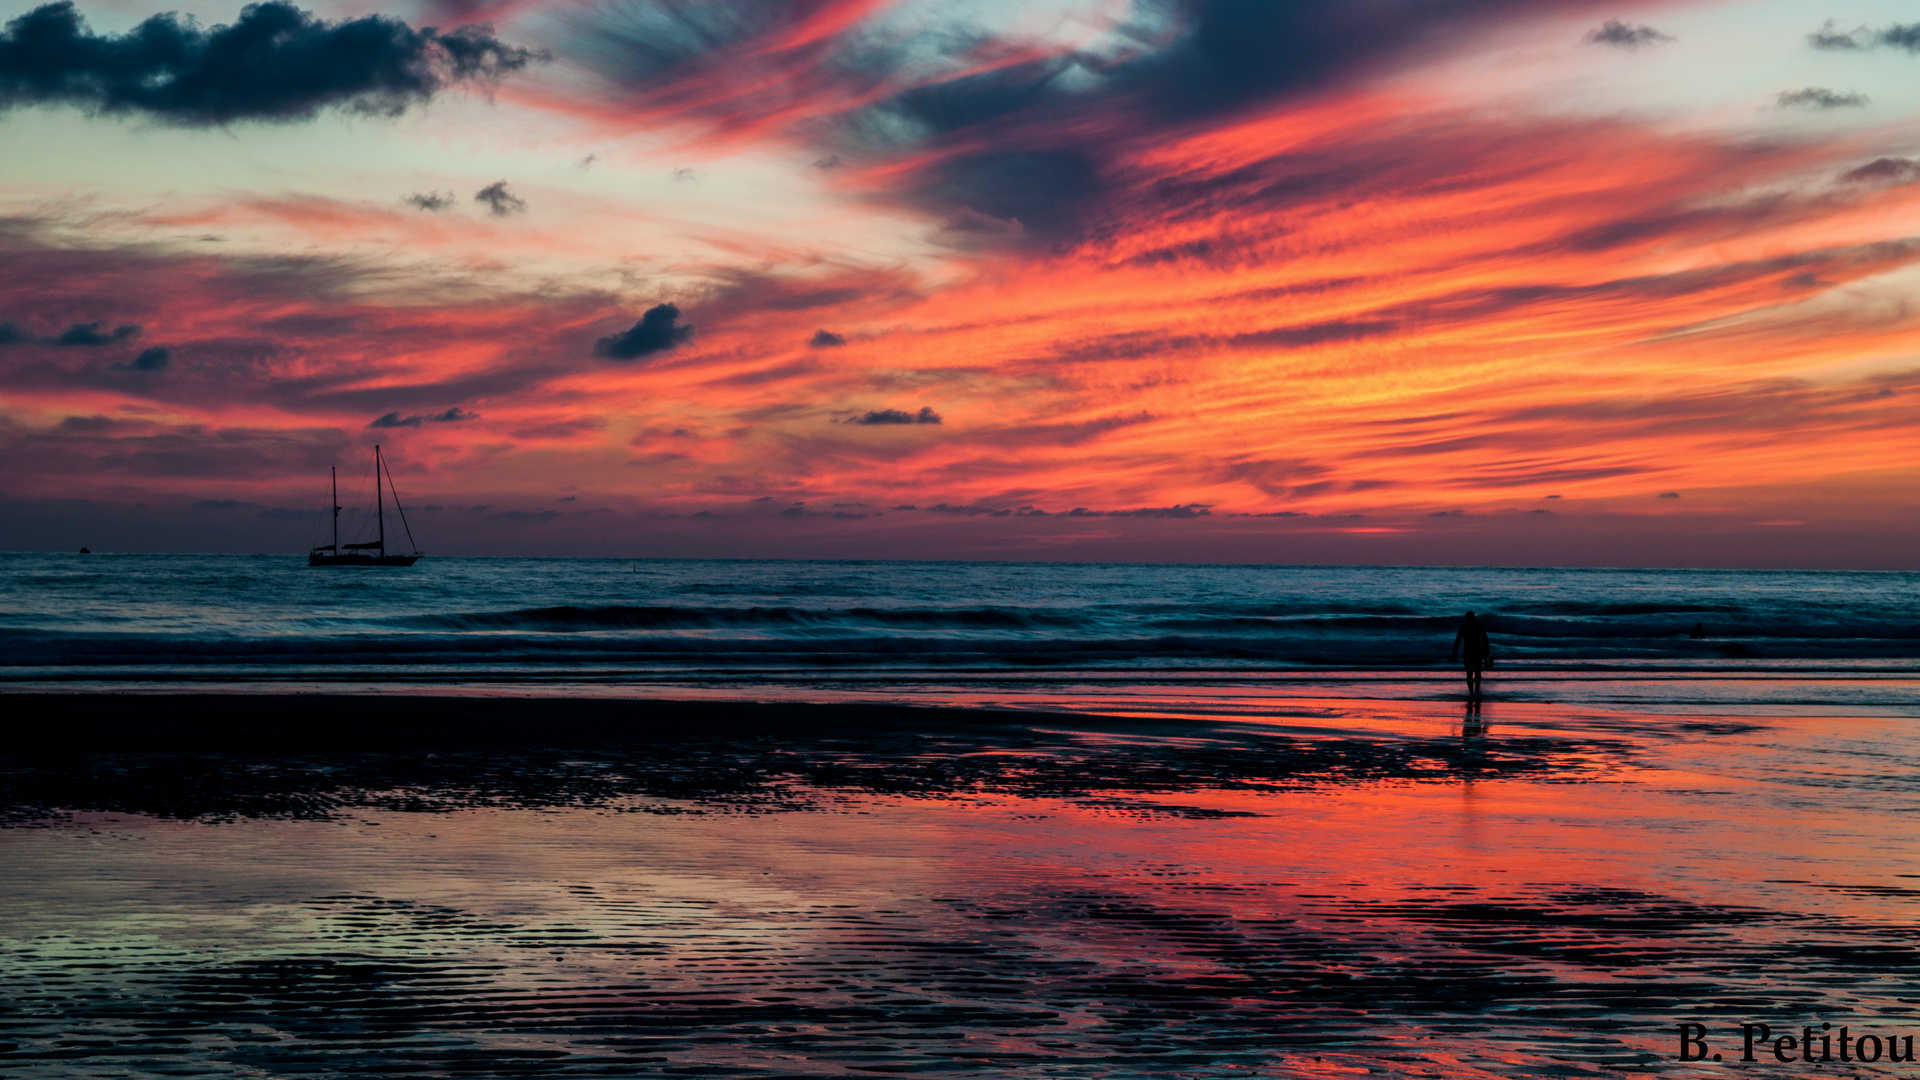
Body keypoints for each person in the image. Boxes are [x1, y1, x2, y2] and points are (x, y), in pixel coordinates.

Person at [1450, 611, 1491, 699]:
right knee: (1477, 672)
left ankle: (1472, 692)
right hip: (1477, 652)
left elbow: (1457, 641)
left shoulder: (1464, 627)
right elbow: (1485, 641)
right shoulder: (1478, 627)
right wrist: (1487, 653)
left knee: (1469, 673)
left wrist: (1454, 653)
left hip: (1469, 652)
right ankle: (1476, 690)